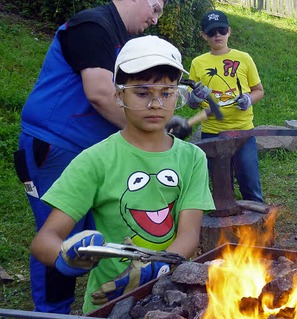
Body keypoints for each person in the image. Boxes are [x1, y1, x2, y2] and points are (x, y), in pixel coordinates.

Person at [13, 0, 189, 313]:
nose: (156, 17)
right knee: (64, 239)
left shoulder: (123, 40)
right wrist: (152, 135)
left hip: (98, 149)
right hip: (57, 146)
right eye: (156, 7)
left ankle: (114, 301)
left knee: (104, 231)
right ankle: (52, 312)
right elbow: (99, 92)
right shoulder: (94, 26)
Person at [187, 9, 265, 203]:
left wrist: (248, 99)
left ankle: (260, 223)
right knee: (221, 187)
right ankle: (227, 226)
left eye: (221, 30)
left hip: (243, 132)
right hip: (212, 133)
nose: (218, 36)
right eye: (212, 32)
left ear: (229, 31)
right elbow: (190, 102)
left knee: (250, 181)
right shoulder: (198, 63)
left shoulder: (244, 58)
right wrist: (196, 98)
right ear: (204, 35)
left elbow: (259, 90)